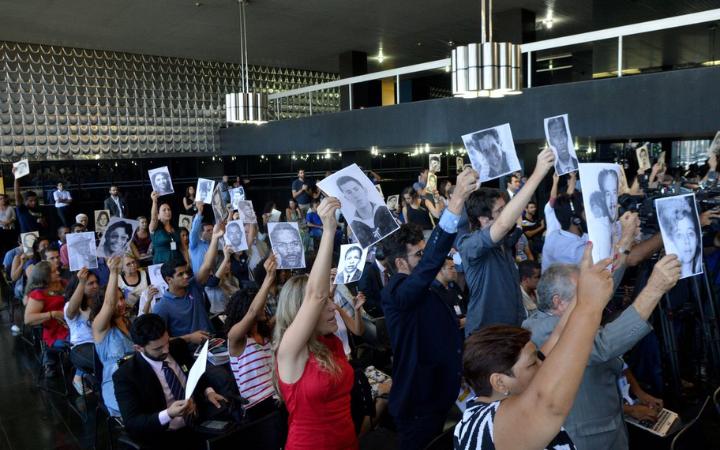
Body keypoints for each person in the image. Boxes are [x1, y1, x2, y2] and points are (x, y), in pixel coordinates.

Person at [454, 243, 615, 450]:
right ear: (500, 383)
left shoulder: (497, 398)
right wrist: (589, 306)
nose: (544, 365)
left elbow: (558, 335)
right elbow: (550, 405)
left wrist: (582, 289)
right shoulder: (483, 426)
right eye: (532, 363)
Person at [523, 255, 680, 449]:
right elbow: (604, 345)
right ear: (559, 302)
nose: (592, 298)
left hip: (608, 427)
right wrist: (654, 289)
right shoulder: (543, 330)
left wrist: (623, 248)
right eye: (583, 293)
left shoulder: (565, 316)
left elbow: (601, 292)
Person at [381, 168, 478, 450]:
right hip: (417, 403)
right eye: (418, 255)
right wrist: (456, 200)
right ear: (400, 264)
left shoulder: (425, 286)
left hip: (438, 396)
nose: (425, 260)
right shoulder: (396, 292)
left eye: (425, 252)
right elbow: (428, 267)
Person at [273, 197, 358, 449]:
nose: (333, 307)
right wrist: (329, 230)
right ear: (302, 312)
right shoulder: (289, 350)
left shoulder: (332, 342)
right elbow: (316, 295)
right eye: (325, 304)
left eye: (331, 300)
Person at [459, 148, 555, 335]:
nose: (507, 215)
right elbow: (503, 224)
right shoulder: (469, 244)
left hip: (510, 328)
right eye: (500, 210)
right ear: (482, 219)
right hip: (487, 337)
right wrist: (538, 173)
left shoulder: (502, 242)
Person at [113, 313, 228, 449]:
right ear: (139, 348)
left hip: (198, 419)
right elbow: (132, 422)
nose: (166, 350)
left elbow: (195, 373)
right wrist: (168, 414)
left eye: (166, 342)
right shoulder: (126, 376)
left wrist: (208, 391)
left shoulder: (177, 346)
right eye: (158, 348)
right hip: (164, 434)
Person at [226, 257, 278, 421]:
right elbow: (253, 312)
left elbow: (284, 311)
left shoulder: (264, 331)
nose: (264, 307)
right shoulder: (235, 337)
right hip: (257, 407)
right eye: (260, 304)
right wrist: (268, 278)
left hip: (277, 396)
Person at [152, 223, 223, 341]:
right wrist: (189, 338)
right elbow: (160, 341)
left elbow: (207, 265)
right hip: (189, 354)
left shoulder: (193, 285)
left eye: (186, 272)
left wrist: (215, 237)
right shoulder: (161, 307)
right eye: (180, 274)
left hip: (213, 343)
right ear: (168, 279)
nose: (186, 276)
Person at [92, 256, 135, 417]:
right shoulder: (100, 327)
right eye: (116, 300)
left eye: (122, 298)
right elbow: (109, 304)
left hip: (138, 379)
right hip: (116, 385)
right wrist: (114, 273)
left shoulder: (129, 322)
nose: (121, 303)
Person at [23, 261, 69, 377]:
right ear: (44, 276)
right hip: (56, 332)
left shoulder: (63, 283)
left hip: (70, 325)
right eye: (53, 272)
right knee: (82, 341)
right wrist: (52, 314)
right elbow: (28, 319)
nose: (58, 272)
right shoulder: (39, 293)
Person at [64, 268, 98, 394]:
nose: (95, 286)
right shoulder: (70, 305)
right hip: (81, 346)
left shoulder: (98, 301)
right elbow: (71, 312)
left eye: (96, 282)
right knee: (102, 362)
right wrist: (82, 282)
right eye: (90, 283)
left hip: (101, 342)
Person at [659, 197, 703, 277]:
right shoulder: (664, 279)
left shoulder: (702, 271)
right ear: (671, 239)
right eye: (679, 235)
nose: (687, 241)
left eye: (690, 234)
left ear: (697, 238)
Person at [430, 256, 467, 328]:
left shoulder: (454, 286)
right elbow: (438, 320)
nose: (455, 270)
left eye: (454, 267)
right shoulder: (432, 292)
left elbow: (465, 303)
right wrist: (461, 322)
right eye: (451, 268)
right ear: (440, 270)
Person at [149, 191, 183, 265]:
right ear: (158, 215)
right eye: (164, 210)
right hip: (161, 265)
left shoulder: (176, 228)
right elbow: (153, 219)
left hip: (177, 264)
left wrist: (188, 263)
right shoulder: (154, 228)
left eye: (169, 209)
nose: (167, 212)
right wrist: (154, 201)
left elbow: (182, 248)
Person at [13, 167, 47, 234]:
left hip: (40, 236)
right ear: (25, 201)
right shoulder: (22, 209)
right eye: (31, 201)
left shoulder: (39, 209)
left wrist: (42, 222)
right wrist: (16, 177)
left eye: (35, 200)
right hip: (27, 237)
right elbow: (17, 194)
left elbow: (45, 225)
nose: (34, 202)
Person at [188, 202, 214, 274]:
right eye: (208, 230)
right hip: (199, 280)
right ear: (201, 233)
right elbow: (194, 231)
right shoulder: (195, 244)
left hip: (213, 278)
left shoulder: (214, 244)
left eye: (212, 230)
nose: (211, 232)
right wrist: (199, 212)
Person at [0, 193, 17, 258]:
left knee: (9, 246)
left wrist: (8, 222)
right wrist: (2, 223)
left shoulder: (10, 207)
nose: (3, 200)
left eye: (3, 198)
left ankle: (10, 258)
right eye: (0, 199)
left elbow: (14, 218)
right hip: (1, 229)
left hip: (10, 229)